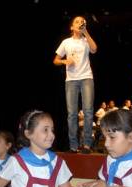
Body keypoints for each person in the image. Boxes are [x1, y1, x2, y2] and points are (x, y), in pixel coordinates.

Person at [54, 15, 98, 154]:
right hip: (71, 80)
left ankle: (86, 145)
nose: (80, 23)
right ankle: (73, 146)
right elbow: (55, 59)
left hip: (86, 77)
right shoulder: (66, 42)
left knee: (88, 111)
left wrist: (86, 32)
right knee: (72, 114)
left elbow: (94, 49)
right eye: (77, 22)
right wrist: (63, 61)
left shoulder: (86, 40)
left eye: (82, 22)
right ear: (72, 27)